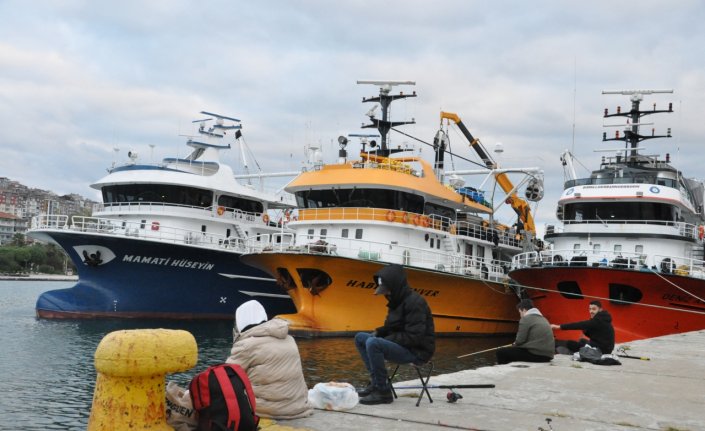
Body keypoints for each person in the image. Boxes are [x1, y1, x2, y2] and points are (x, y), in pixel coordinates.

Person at [354, 264, 435, 405]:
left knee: (373, 343)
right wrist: (379, 332)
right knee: (361, 338)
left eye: (387, 291)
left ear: (395, 286)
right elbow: (390, 327)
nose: (386, 295)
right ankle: (375, 383)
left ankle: (383, 392)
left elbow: (414, 337)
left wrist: (384, 339)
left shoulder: (415, 302)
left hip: (417, 351)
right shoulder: (395, 301)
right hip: (403, 345)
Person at [225, 300, 312, 419]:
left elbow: (225, 376)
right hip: (299, 407)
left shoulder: (246, 345)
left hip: (267, 410)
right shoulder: (290, 340)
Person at [496, 299, 554, 364]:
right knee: (514, 352)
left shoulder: (526, 318)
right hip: (548, 356)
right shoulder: (543, 319)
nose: (520, 315)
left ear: (524, 310)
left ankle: (505, 371)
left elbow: (519, 341)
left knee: (500, 352)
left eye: (520, 312)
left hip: (538, 355)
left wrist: (514, 344)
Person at [550, 300, 615, 354]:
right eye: (590, 309)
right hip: (605, 348)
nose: (591, 311)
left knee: (571, 344)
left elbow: (580, 324)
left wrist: (559, 327)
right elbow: (593, 333)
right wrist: (585, 330)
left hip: (601, 350)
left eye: (594, 309)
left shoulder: (598, 320)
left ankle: (553, 345)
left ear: (600, 309)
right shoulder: (603, 319)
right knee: (582, 340)